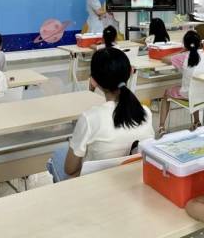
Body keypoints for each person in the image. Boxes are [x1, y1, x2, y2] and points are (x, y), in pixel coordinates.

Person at [47, 48, 154, 180]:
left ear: (93, 81)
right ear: (131, 71)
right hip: (131, 179)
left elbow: (69, 170)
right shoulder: (145, 112)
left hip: (95, 184)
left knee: (59, 154)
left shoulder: (89, 118)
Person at [158, 31, 204, 136]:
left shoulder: (182, 56)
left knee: (166, 93)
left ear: (185, 44)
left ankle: (161, 127)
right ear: (199, 43)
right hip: (203, 93)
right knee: (194, 87)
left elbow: (163, 59)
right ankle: (197, 122)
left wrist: (181, 51)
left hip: (189, 95)